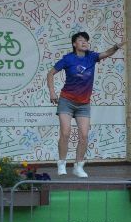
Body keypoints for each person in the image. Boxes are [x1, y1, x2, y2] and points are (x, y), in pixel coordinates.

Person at [47, 30, 121, 178]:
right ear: (74, 44)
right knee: (66, 132)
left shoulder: (92, 57)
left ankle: (78, 166)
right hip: (66, 101)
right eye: (81, 40)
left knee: (84, 135)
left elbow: (106, 53)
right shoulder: (68, 59)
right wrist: (52, 92)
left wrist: (116, 46)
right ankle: (61, 163)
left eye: (86, 40)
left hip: (83, 104)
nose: (84, 42)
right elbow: (50, 74)